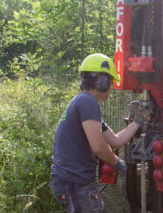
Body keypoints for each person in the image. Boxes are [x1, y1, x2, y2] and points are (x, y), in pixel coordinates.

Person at [50, 53, 151, 213]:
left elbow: (116, 140)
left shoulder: (82, 103)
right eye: (110, 83)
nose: (110, 88)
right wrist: (118, 163)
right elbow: (98, 147)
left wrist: (138, 121)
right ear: (101, 82)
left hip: (71, 181)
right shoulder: (87, 103)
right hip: (76, 183)